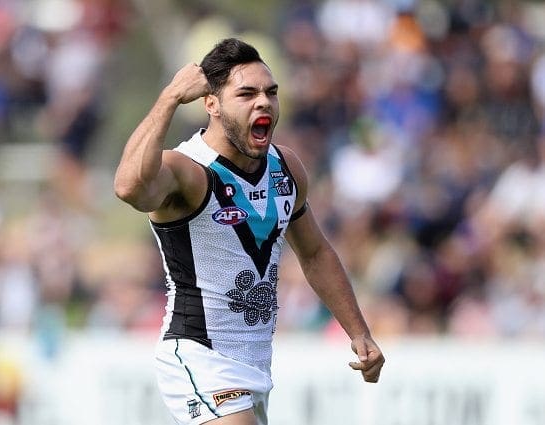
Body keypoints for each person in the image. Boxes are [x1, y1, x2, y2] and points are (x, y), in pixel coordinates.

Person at [114, 38, 385, 425]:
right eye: (246, 93)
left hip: (255, 367)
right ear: (212, 104)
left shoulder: (285, 167)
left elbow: (314, 253)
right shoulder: (188, 169)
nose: (263, 102)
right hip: (199, 355)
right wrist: (170, 97)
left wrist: (358, 332)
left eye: (270, 93)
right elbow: (128, 188)